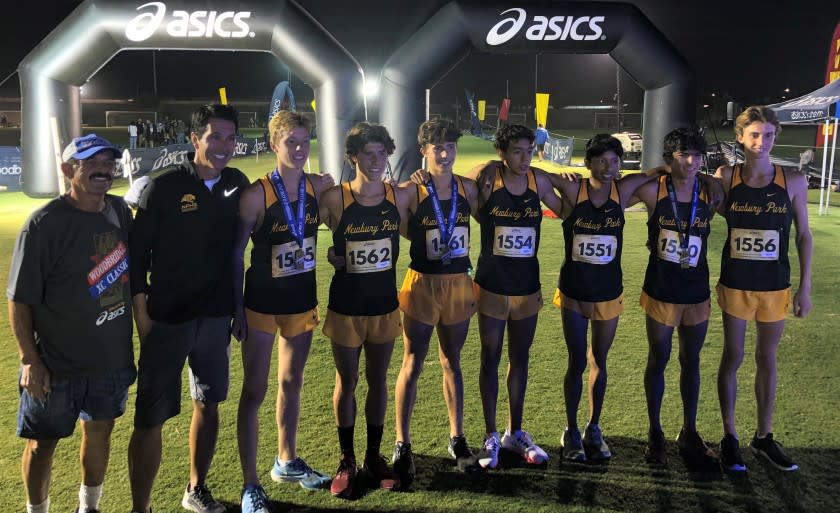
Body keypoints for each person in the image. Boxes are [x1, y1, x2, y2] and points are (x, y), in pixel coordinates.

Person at [128, 103, 250, 513]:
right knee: (150, 417)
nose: (223, 145)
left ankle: (196, 488)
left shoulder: (237, 182)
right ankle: (141, 507)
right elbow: (136, 254)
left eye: (230, 137)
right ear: (195, 138)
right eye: (214, 136)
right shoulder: (162, 187)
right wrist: (142, 311)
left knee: (209, 403)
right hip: (166, 318)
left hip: (216, 318)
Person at [8, 134, 134, 513]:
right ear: (67, 170)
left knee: (99, 432)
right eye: (91, 162)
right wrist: (31, 359)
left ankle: (89, 507)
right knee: (41, 444)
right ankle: (37, 509)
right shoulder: (44, 224)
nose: (104, 169)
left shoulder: (119, 211)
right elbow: (19, 299)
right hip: (56, 364)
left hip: (110, 359)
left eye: (108, 162)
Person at [232, 110, 333, 512]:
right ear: (273, 145)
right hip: (260, 306)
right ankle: (250, 484)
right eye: (290, 142)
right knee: (254, 391)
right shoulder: (257, 195)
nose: (298, 149)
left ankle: (286, 461)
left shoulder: (318, 188)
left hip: (300, 302)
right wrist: (235, 307)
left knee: (292, 382)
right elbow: (236, 254)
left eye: (304, 142)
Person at [547, 134, 667, 463]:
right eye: (602, 160)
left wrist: (664, 167)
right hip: (573, 291)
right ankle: (571, 430)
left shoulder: (623, 190)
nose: (610, 166)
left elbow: (657, 175)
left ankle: (593, 427)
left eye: (615, 160)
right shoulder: (575, 189)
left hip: (608, 293)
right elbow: (538, 176)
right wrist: (564, 174)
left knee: (600, 360)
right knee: (576, 362)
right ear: (588, 163)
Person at [457, 124, 562, 470]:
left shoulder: (538, 181)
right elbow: (457, 191)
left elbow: (567, 210)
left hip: (527, 287)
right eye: (516, 151)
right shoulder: (488, 179)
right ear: (501, 153)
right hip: (490, 286)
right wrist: (482, 168)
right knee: (490, 357)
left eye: (529, 150)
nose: (524, 158)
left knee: (521, 357)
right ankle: (490, 434)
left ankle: (514, 432)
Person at [714, 106, 812, 472]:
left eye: (768, 135)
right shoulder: (726, 177)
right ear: (740, 137)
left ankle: (764, 436)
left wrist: (805, 288)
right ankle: (730, 436)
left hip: (775, 286)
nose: (761, 141)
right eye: (754, 134)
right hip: (736, 284)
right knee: (733, 356)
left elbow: (803, 235)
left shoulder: (793, 181)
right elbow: (699, 199)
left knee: (766, 359)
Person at [318, 122, 409, 498]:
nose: (376, 161)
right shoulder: (334, 198)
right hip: (346, 307)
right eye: (368, 154)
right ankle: (346, 458)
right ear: (352, 156)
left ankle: (373, 456)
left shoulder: (400, 196)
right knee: (348, 381)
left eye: (382, 153)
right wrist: (328, 254)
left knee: (378, 380)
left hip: (384, 306)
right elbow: (302, 228)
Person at [393, 118, 481, 486]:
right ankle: (402, 443)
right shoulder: (411, 192)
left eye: (450, 147)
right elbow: (398, 226)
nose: (445, 154)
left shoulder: (468, 188)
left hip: (458, 283)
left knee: (452, 362)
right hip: (423, 283)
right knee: (412, 361)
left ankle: (457, 437)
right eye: (438, 148)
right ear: (424, 151)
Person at [633, 126, 720, 467]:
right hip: (661, 290)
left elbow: (730, 197)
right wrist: (657, 171)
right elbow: (620, 191)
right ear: (671, 158)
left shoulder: (709, 191)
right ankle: (655, 432)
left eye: (697, 155)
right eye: (685, 155)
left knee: (692, 361)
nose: (692, 161)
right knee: (659, 358)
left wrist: (713, 179)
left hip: (696, 291)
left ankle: (689, 430)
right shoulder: (655, 189)